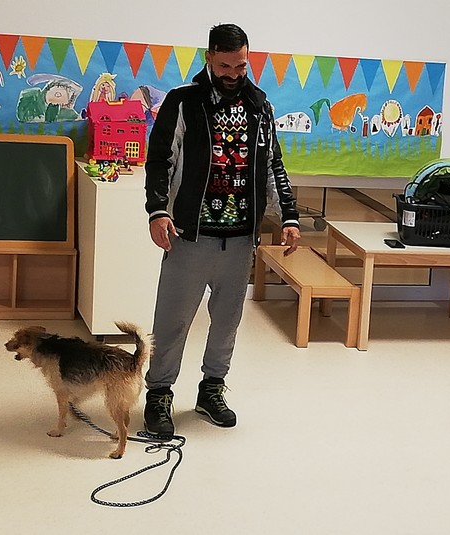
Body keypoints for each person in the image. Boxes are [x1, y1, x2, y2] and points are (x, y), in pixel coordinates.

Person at [143, 24, 301, 436]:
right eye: (226, 66)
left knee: (227, 321)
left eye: (241, 66)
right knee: (172, 321)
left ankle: (212, 388)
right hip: (189, 236)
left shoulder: (260, 106)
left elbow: (274, 164)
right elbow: (159, 159)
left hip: (241, 238)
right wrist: (157, 211)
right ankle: (159, 393)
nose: (233, 74)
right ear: (210, 58)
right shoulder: (183, 101)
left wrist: (289, 215)